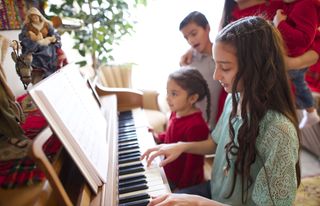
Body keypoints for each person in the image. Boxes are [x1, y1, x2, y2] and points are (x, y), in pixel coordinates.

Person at [142, 16, 301, 205]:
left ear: (255, 67)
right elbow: (217, 143)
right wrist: (181, 146)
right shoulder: (234, 98)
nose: (216, 75)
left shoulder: (278, 131)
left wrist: (199, 202)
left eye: (225, 67)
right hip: (217, 191)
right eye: (216, 64)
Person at [151, 68, 211, 191]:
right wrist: (157, 137)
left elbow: (192, 166)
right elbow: (171, 137)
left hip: (184, 181)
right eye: (167, 92)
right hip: (170, 170)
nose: (168, 98)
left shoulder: (197, 126)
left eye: (174, 94)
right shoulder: (176, 112)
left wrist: (181, 189)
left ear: (192, 98)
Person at [273, 0, 320, 128]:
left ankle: (310, 113)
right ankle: (310, 113)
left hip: (294, 56)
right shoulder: (291, 4)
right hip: (291, 56)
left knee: (296, 85)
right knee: (297, 84)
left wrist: (280, 23)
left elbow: (304, 39)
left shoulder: (305, 5)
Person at [179, 11, 222, 129]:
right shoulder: (187, 62)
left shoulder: (223, 55)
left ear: (207, 28)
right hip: (196, 127)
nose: (191, 41)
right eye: (186, 37)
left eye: (194, 34)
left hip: (220, 125)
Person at [19, 7, 67, 84]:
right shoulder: (27, 26)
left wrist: (52, 39)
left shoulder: (46, 24)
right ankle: (40, 71)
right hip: (34, 46)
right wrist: (33, 40)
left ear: (39, 15)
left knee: (49, 52)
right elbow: (22, 37)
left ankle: (50, 69)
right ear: (30, 18)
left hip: (48, 45)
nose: (34, 17)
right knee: (29, 58)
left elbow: (54, 34)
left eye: (35, 15)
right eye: (32, 16)